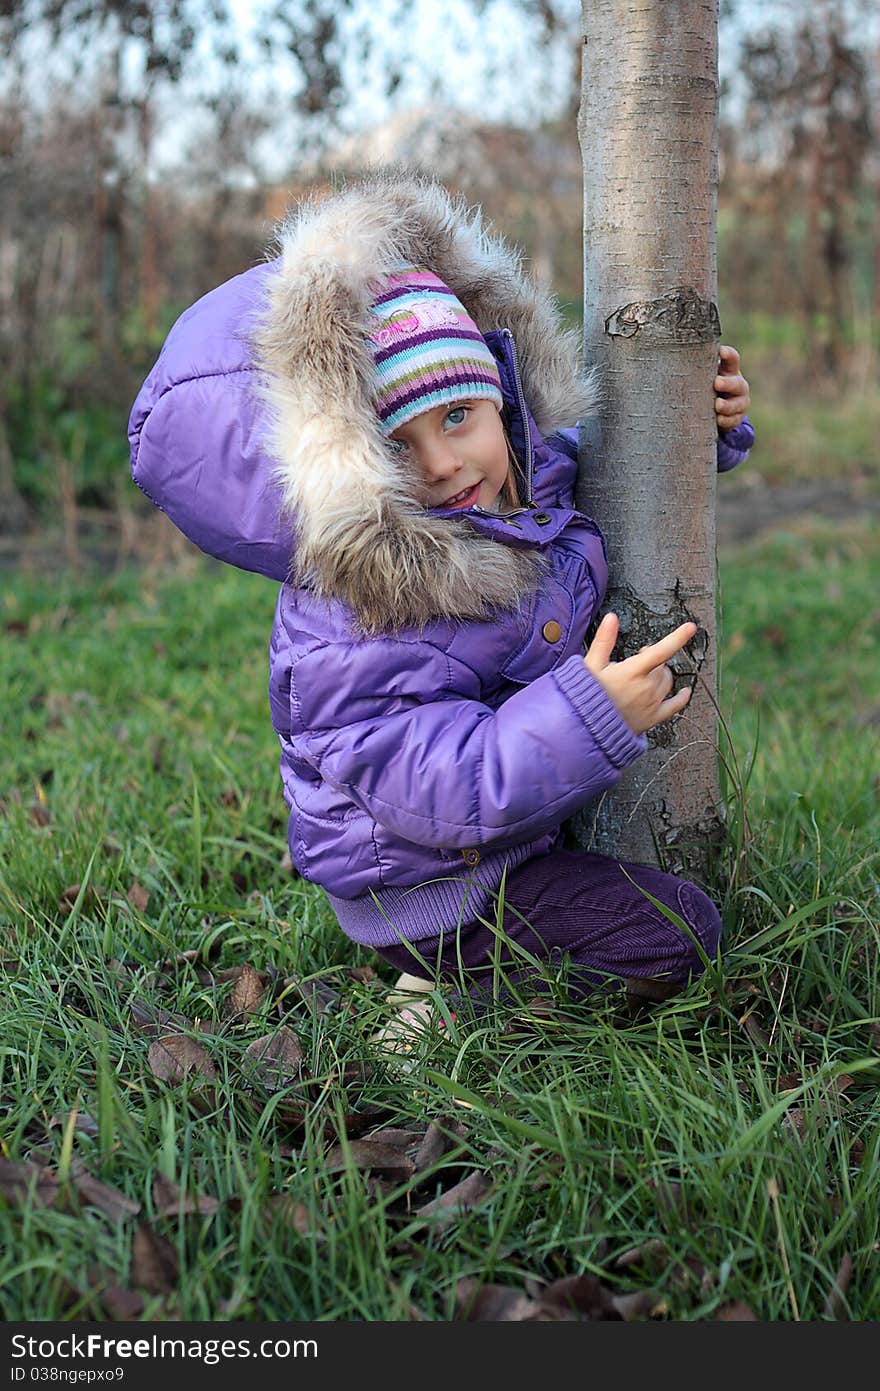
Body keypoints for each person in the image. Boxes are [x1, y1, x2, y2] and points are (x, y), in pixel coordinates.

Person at [129, 171, 753, 1035]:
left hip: (511, 831)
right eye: (398, 445)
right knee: (684, 934)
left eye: (458, 415)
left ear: (500, 394)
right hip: (434, 889)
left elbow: (601, 473)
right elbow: (439, 787)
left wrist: (700, 423)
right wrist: (587, 717)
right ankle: (449, 996)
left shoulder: (520, 483)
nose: (445, 464)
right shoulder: (351, 616)